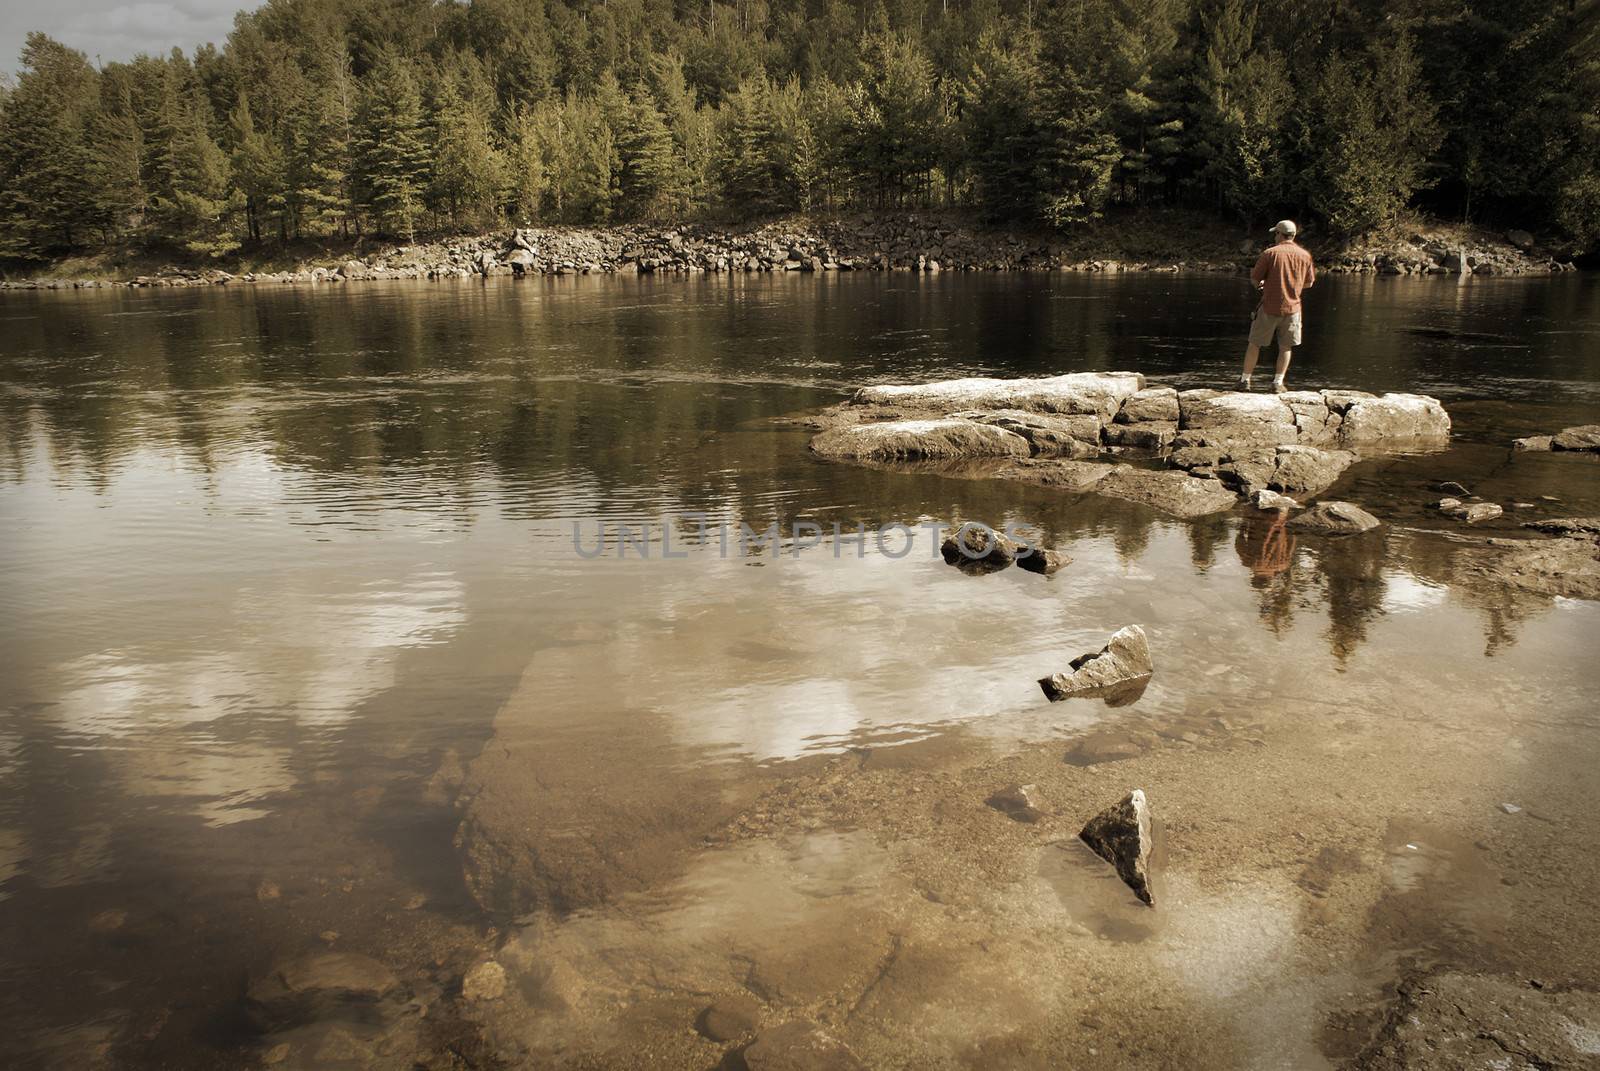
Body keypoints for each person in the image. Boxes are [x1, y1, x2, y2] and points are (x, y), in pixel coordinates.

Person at [1239, 219, 1315, 394]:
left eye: (1276, 233)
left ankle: (1245, 381)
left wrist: (1262, 285)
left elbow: (1254, 279)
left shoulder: (1270, 253)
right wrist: (1293, 287)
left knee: (1254, 344)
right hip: (1293, 309)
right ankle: (1277, 383)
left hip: (1268, 308)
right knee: (1285, 347)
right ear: (1294, 235)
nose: (1275, 236)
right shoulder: (1305, 255)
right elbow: (1309, 283)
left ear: (1280, 234)